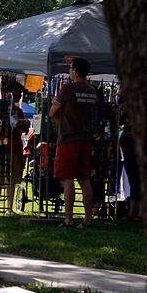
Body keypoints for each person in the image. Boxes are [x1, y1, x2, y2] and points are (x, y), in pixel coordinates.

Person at [49, 56, 98, 227]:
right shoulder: (92, 91)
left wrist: (60, 116)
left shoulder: (68, 89)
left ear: (75, 70)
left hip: (68, 138)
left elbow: (52, 112)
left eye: (70, 69)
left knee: (67, 177)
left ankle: (68, 219)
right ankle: (87, 219)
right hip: (85, 138)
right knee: (84, 179)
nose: (69, 72)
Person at [0, 80, 31, 213]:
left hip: (15, 147)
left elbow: (26, 127)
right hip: (1, 147)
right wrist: (20, 123)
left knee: (12, 180)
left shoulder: (19, 111)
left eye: (21, 93)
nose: (20, 95)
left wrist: (20, 123)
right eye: (18, 92)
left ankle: (9, 209)